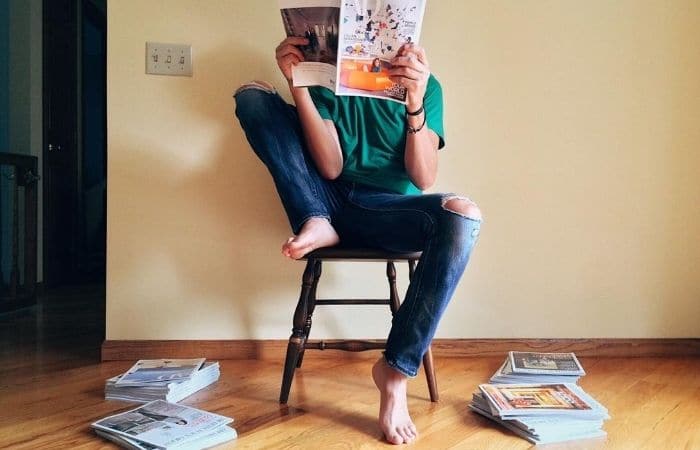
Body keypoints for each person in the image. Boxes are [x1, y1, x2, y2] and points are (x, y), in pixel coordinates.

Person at [234, 36, 481, 445]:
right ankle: (316, 219)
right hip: (323, 193)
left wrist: (415, 101)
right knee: (253, 98)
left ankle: (396, 373)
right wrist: (300, 83)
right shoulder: (326, 80)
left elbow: (423, 178)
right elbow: (330, 166)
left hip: (382, 209)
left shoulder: (427, 85)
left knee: (463, 215)